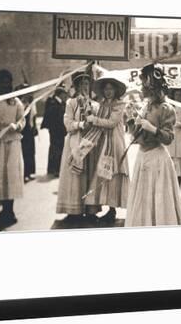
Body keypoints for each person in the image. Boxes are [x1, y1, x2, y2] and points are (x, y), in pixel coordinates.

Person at [125, 63, 181, 227]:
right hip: (142, 157)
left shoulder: (166, 109)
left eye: (143, 82)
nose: (141, 86)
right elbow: (137, 138)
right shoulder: (146, 107)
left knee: (158, 199)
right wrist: (131, 120)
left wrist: (152, 128)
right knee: (142, 198)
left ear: (151, 85)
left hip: (157, 159)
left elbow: (168, 138)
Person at [56, 71, 101, 223]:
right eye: (81, 84)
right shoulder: (71, 103)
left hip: (90, 143)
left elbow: (99, 123)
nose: (84, 87)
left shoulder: (95, 105)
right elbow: (68, 124)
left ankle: (90, 210)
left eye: (87, 84)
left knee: (90, 174)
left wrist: (93, 123)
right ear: (76, 86)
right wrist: (81, 124)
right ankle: (74, 210)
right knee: (75, 175)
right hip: (75, 141)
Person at [84, 76, 130, 223]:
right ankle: (94, 208)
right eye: (106, 89)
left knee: (113, 173)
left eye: (111, 88)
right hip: (102, 141)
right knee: (102, 172)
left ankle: (112, 209)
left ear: (116, 90)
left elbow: (111, 122)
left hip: (115, 142)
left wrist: (95, 120)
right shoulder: (101, 104)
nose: (108, 91)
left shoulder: (120, 105)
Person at [0, 70, 25, 227]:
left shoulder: (16, 102)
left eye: (7, 82)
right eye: (2, 82)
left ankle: (9, 210)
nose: (5, 85)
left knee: (11, 175)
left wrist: (17, 126)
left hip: (13, 143)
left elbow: (22, 120)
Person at [41, 84, 68, 177]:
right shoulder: (53, 102)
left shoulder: (61, 103)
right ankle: (54, 169)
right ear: (60, 94)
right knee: (56, 149)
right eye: (64, 94)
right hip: (56, 130)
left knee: (57, 148)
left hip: (60, 130)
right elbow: (52, 117)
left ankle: (55, 168)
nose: (66, 96)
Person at [15, 83, 38, 183]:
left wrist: (35, 127)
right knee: (23, 152)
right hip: (23, 129)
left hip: (30, 129)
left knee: (31, 152)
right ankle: (24, 174)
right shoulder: (20, 102)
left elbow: (34, 116)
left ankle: (29, 172)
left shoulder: (32, 102)